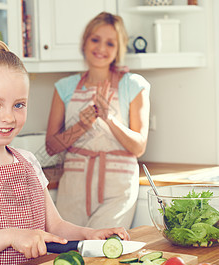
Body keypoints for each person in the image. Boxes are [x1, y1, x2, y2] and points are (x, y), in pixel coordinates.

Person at [0, 39, 129, 265]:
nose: (8, 117)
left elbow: (55, 226)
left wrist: (90, 234)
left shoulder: (28, 161)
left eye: (19, 105)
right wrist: (11, 236)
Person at [46, 12, 150, 230]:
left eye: (110, 43)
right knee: (70, 254)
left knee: (103, 252)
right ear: (85, 41)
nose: (101, 48)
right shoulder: (64, 87)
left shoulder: (133, 85)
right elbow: (52, 146)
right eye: (95, 39)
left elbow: (138, 147)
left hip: (116, 188)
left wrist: (108, 118)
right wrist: (83, 125)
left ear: (118, 50)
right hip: (73, 188)